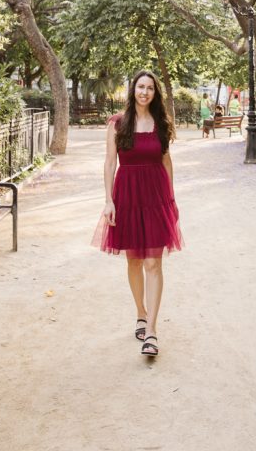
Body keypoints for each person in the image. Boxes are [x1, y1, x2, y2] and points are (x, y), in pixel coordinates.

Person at [92, 69, 183, 357]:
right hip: (127, 196)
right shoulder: (118, 124)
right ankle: (140, 312)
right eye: (140, 87)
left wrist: (171, 198)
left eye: (150, 88)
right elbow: (109, 164)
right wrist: (109, 201)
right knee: (133, 262)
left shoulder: (161, 123)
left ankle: (152, 331)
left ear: (156, 93)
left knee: (153, 263)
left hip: (156, 197)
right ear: (133, 90)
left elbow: (166, 162)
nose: (144, 92)